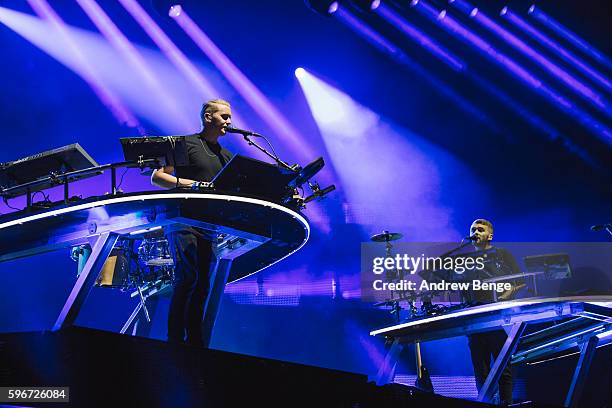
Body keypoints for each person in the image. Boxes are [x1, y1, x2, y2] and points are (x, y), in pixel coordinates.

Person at [151, 99, 233, 346]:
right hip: (182, 218)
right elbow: (158, 177)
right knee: (188, 277)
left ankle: (195, 343)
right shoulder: (184, 143)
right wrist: (192, 185)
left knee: (203, 285)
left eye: (230, 117)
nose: (229, 122)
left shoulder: (226, 157)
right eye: (224, 116)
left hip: (209, 225)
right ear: (208, 117)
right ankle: (174, 341)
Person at [464, 218, 521, 406]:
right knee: (480, 369)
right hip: (475, 318)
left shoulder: (503, 254)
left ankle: (507, 403)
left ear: (490, 235)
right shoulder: (464, 260)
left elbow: (522, 280)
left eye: (480, 229)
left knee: (503, 366)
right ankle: (485, 402)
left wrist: (507, 294)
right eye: (473, 229)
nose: (476, 232)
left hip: (498, 316)